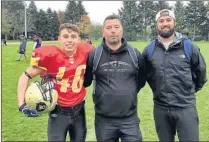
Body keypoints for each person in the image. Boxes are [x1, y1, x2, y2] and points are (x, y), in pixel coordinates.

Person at [17, 23, 94, 141]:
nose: (69, 40)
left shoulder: (87, 52)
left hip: (79, 111)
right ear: (59, 38)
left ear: (79, 39)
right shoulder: (51, 56)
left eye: (73, 36)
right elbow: (25, 76)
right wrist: (22, 105)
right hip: (58, 112)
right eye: (66, 36)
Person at [142, 9, 207, 141]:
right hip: (161, 108)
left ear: (174, 22)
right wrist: (157, 89)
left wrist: (189, 91)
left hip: (186, 107)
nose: (165, 23)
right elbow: (146, 76)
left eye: (168, 20)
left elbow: (200, 73)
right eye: (161, 21)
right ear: (156, 25)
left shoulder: (189, 47)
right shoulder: (149, 50)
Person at [84, 15, 146, 142]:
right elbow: (87, 81)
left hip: (130, 119)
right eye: (109, 27)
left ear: (122, 30)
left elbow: (141, 81)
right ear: (103, 31)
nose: (113, 30)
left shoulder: (135, 54)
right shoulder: (94, 55)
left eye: (116, 27)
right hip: (104, 121)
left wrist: (128, 93)